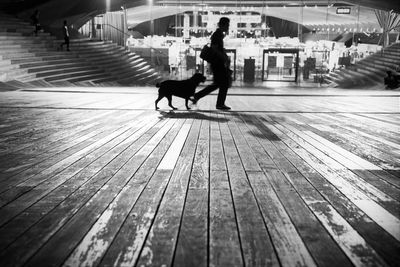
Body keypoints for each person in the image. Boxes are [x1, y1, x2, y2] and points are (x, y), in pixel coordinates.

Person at [191, 17, 232, 110]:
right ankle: (219, 104)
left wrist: (223, 55)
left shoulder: (219, 34)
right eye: (227, 25)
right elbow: (215, 48)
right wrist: (224, 56)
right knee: (223, 83)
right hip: (217, 63)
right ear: (223, 25)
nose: (228, 27)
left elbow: (217, 48)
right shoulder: (217, 34)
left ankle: (197, 96)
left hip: (217, 63)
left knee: (218, 84)